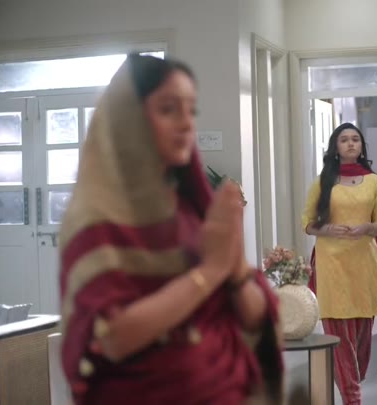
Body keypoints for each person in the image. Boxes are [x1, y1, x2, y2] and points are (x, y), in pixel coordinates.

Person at [58, 54, 283, 405]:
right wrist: (210, 271)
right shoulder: (96, 221)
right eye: (168, 109)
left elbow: (254, 321)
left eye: (191, 110)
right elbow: (112, 338)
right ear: (128, 120)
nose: (186, 124)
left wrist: (235, 266)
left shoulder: (193, 211)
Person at [301, 122, 377, 405]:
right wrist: (327, 229)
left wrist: (367, 228)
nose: (351, 143)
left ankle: (351, 382)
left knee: (361, 342)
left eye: (355, 139)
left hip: (364, 264)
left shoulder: (374, 182)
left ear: (361, 146)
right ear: (335, 147)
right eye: (344, 140)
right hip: (332, 264)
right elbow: (307, 223)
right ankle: (352, 398)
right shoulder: (323, 182)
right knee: (339, 336)